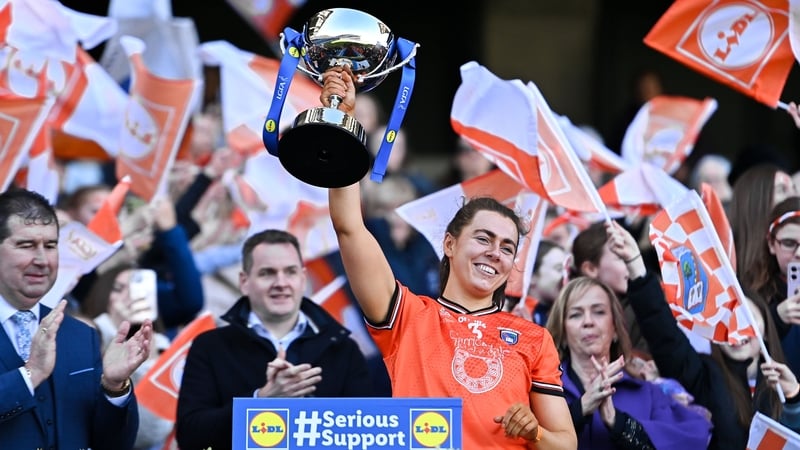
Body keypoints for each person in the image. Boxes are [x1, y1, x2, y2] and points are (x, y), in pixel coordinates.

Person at [323, 66, 577, 449]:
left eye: (507, 247)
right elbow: (349, 227)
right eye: (484, 238)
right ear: (450, 244)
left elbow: (567, 444)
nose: (495, 252)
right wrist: (342, 122)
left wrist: (534, 432)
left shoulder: (534, 338)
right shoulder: (407, 317)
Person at [606, 220, 800, 449]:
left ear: (767, 330)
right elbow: (665, 336)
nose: (736, 329)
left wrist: (794, 398)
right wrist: (637, 268)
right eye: (726, 321)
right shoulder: (706, 375)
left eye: (746, 318)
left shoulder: (784, 380)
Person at [176, 229, 374, 450]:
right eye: (267, 273)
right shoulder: (210, 346)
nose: (281, 282)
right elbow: (190, 436)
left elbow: (365, 432)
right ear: (244, 281)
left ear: (302, 279)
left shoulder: (342, 347)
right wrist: (260, 401)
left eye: (290, 272)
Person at [0, 188, 153, 449]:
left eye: (50, 246)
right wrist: (30, 374)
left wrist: (114, 387)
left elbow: (114, 444)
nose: (41, 259)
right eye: (26, 245)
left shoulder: (81, 336)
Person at [545, 276, 713, 449]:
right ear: (563, 334)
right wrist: (580, 409)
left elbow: (696, 437)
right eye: (576, 314)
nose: (588, 321)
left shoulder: (646, 392)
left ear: (616, 329)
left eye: (599, 311)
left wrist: (619, 423)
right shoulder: (543, 391)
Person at [81, 262, 173, 450]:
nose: (128, 296)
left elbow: (153, 432)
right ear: (104, 293)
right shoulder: (83, 331)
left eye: (137, 289)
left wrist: (151, 358)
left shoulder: (162, 346)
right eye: (119, 289)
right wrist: (112, 328)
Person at [749, 196, 800, 375]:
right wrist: (775, 319)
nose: (799, 253)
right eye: (789, 243)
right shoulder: (754, 294)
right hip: (778, 397)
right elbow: (742, 349)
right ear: (771, 244)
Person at [729, 163, 797, 291]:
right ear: (756, 202)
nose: (795, 197)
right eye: (782, 189)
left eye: (795, 189)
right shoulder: (727, 273)